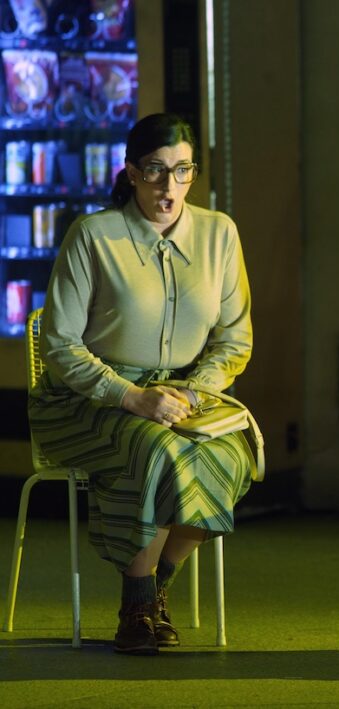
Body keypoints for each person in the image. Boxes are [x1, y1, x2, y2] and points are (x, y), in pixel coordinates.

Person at [28, 113, 255, 655]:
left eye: (183, 170)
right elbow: (59, 345)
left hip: (183, 396)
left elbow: (234, 338)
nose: (169, 185)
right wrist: (130, 396)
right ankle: (135, 607)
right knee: (157, 451)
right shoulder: (93, 236)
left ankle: (154, 590)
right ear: (131, 172)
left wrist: (194, 392)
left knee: (231, 453)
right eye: (155, 170)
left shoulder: (220, 234)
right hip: (86, 399)